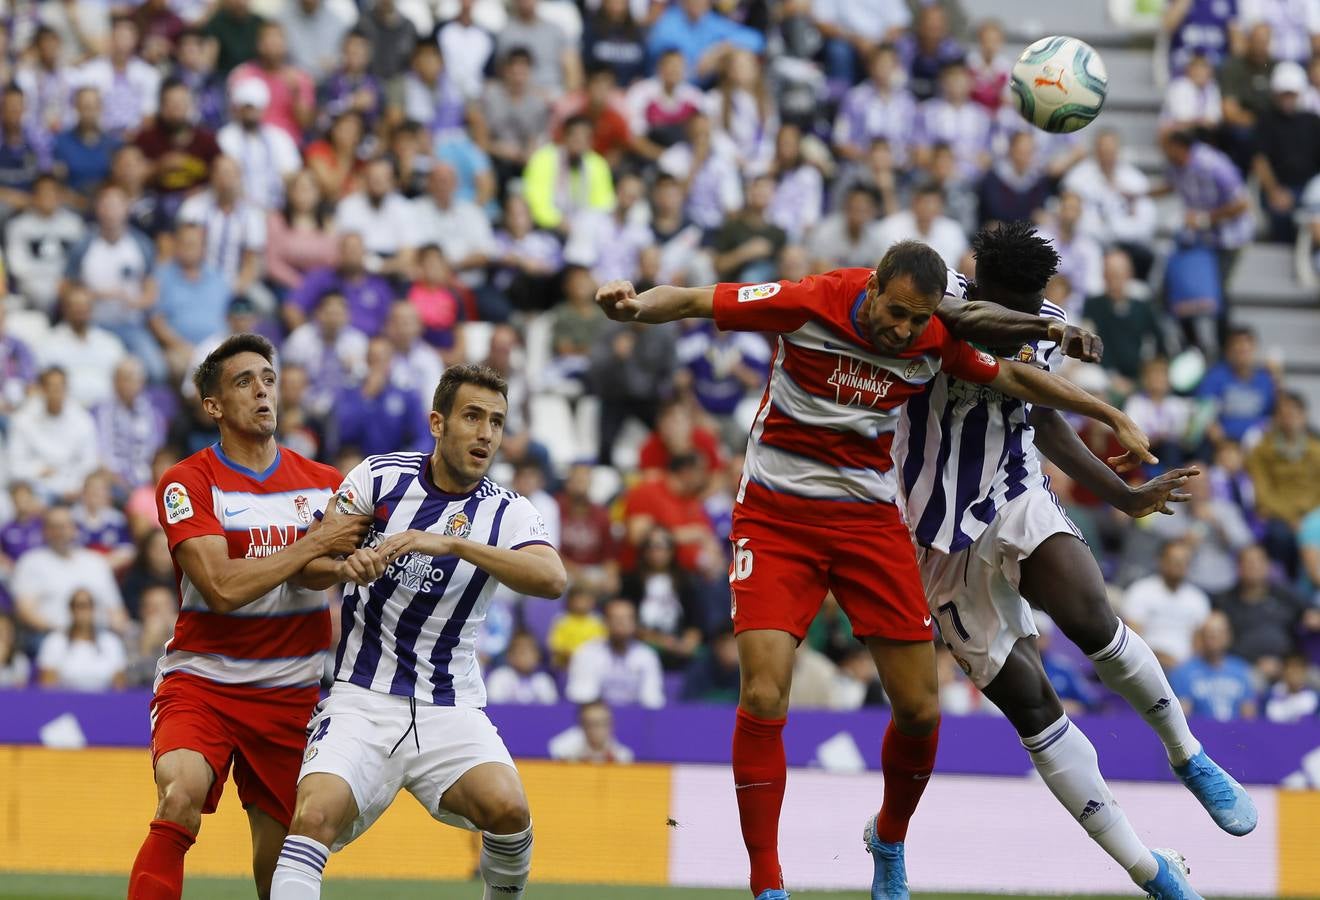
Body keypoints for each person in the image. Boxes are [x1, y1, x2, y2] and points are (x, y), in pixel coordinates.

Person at [593, 240, 1157, 900]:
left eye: (919, 319)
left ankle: (888, 838)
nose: (904, 331)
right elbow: (693, 300)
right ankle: (768, 884)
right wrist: (635, 307)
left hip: (869, 522)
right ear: (872, 287)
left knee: (920, 710)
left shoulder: (931, 337)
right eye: (896, 313)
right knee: (765, 695)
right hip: (776, 520)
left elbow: (1017, 381)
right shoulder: (810, 302)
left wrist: (1108, 414)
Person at [896, 224, 1252, 899]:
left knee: (1093, 619)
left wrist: (1123, 495)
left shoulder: (1044, 322)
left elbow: (1043, 417)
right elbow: (974, 325)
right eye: (1017, 306)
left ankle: (1189, 755)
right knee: (1034, 706)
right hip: (934, 538)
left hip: (1014, 494)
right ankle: (1150, 870)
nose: (1029, 317)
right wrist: (1047, 331)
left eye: (1037, 305)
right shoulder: (933, 306)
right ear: (980, 284)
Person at [269, 364, 566, 900]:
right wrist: (344, 567)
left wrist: (452, 544)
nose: (486, 434)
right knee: (312, 817)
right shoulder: (377, 478)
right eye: (472, 416)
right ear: (437, 422)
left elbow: (552, 579)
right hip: (361, 700)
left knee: (509, 811)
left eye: (496, 422)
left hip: (450, 706)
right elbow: (306, 567)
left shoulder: (508, 512)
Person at [126, 334, 366, 900]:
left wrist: (348, 562)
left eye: (268, 379)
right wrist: (314, 544)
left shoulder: (327, 484)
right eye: (244, 381)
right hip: (204, 684)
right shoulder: (187, 482)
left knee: (280, 870)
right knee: (179, 797)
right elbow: (221, 588)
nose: (262, 391)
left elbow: (323, 571)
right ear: (213, 406)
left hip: (291, 696)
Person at [1122, 539, 1213, 670]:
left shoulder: (1198, 599)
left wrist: (1185, 668)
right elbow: (1133, 639)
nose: (1179, 565)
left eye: (1183, 561)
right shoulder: (1140, 591)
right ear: (1161, 561)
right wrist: (1160, 658)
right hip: (1146, 664)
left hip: (1185, 669)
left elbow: (1199, 644)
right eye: (1174, 560)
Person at [565, 596, 665, 709]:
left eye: (627, 618)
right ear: (605, 622)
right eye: (615, 618)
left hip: (636, 717)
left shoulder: (647, 656)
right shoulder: (587, 652)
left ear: (635, 623)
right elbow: (581, 694)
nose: (621, 623)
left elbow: (652, 699)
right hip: (597, 716)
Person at [1169, 613, 1257, 722]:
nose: (1215, 637)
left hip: (1235, 730)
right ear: (1201, 637)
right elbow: (1183, 715)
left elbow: (1249, 715)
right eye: (1210, 633)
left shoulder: (1241, 670)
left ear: (1228, 636)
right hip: (1200, 730)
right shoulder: (1184, 672)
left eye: (1219, 632)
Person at [36, 589, 127, 691]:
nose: (83, 611)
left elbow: (119, 687)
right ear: (71, 609)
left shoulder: (111, 642)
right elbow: (48, 687)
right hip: (66, 700)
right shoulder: (54, 641)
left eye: (88, 605)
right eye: (79, 606)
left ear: (94, 609)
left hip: (104, 700)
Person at [547, 699, 635, 763]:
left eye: (604, 723)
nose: (599, 729)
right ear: (582, 726)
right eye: (593, 724)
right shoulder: (564, 749)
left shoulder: (621, 756)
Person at [486, 631, 559, 704]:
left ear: (538, 656)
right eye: (522, 651)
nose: (527, 656)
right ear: (510, 656)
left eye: (531, 651)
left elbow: (552, 708)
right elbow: (493, 705)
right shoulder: (499, 677)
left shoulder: (544, 680)